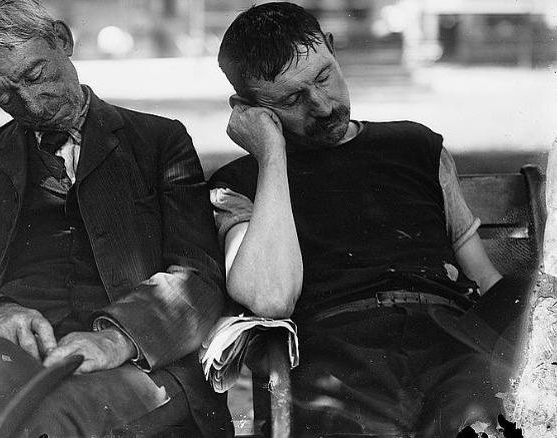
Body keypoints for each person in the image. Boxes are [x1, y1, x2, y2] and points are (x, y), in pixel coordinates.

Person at [0, 1, 231, 436]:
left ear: (62, 40)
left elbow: (198, 276)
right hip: (8, 365)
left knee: (35, 422)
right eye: (4, 97)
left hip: (138, 364)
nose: (31, 103)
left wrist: (116, 339)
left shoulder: (158, 142)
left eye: (34, 75)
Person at [210, 3, 525, 437]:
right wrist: (272, 156)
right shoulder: (237, 186)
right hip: (338, 357)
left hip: (450, 341)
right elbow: (270, 299)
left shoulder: (415, 146)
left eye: (324, 77)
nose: (322, 106)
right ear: (249, 109)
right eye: (291, 99)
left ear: (334, 50)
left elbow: (484, 279)